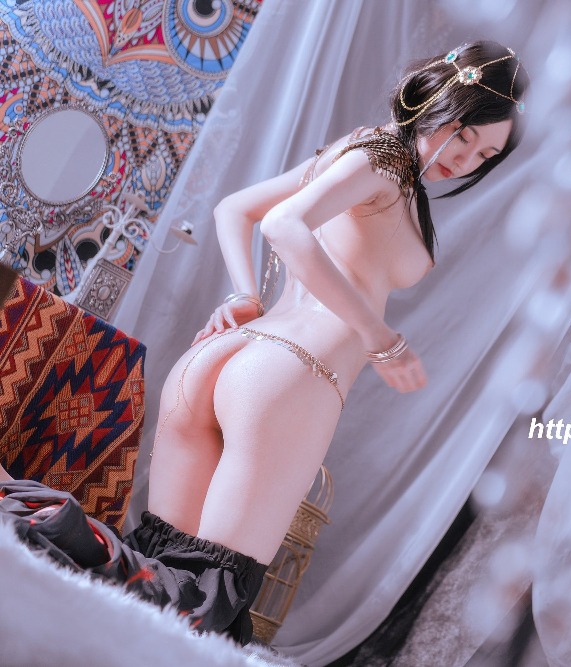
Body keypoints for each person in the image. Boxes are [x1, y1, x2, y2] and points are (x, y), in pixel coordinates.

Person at [0, 40, 529, 645]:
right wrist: (379, 336)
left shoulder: (363, 156)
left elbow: (236, 209)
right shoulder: (381, 161)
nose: (465, 159)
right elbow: (281, 224)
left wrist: (245, 296)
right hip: (290, 380)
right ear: (435, 100)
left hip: (237, 359)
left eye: (485, 155)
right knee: (201, 601)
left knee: (163, 575)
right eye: (465, 136)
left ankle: (39, 562)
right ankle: (36, 525)